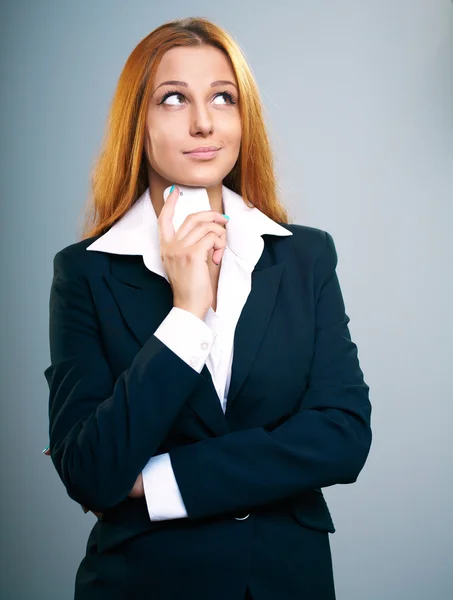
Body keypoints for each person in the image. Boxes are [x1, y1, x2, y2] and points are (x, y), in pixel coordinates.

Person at [43, 16, 372, 600]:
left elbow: (343, 436)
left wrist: (160, 482)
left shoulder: (305, 257)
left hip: (285, 581)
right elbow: (91, 470)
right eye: (173, 99)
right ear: (137, 123)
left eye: (223, 98)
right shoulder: (87, 272)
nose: (203, 122)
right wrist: (187, 314)